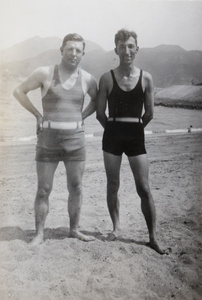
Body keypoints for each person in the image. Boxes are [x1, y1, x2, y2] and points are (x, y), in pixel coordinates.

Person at [13, 33, 98, 245]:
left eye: (78, 50)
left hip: (76, 141)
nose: (74, 53)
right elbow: (19, 91)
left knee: (76, 187)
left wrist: (82, 117)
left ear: (83, 54)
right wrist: (37, 115)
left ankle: (74, 229)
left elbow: (98, 102)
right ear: (61, 50)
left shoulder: (87, 79)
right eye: (69, 49)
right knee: (43, 189)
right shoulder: (44, 73)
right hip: (48, 140)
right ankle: (39, 234)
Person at [96, 29, 164, 254]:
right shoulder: (106, 78)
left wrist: (134, 130)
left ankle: (153, 237)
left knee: (143, 187)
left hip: (135, 136)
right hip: (112, 135)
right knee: (112, 184)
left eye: (130, 46)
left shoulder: (146, 78)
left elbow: (149, 114)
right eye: (122, 46)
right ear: (116, 49)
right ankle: (116, 227)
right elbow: (99, 114)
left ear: (137, 49)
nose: (126, 51)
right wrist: (115, 130)